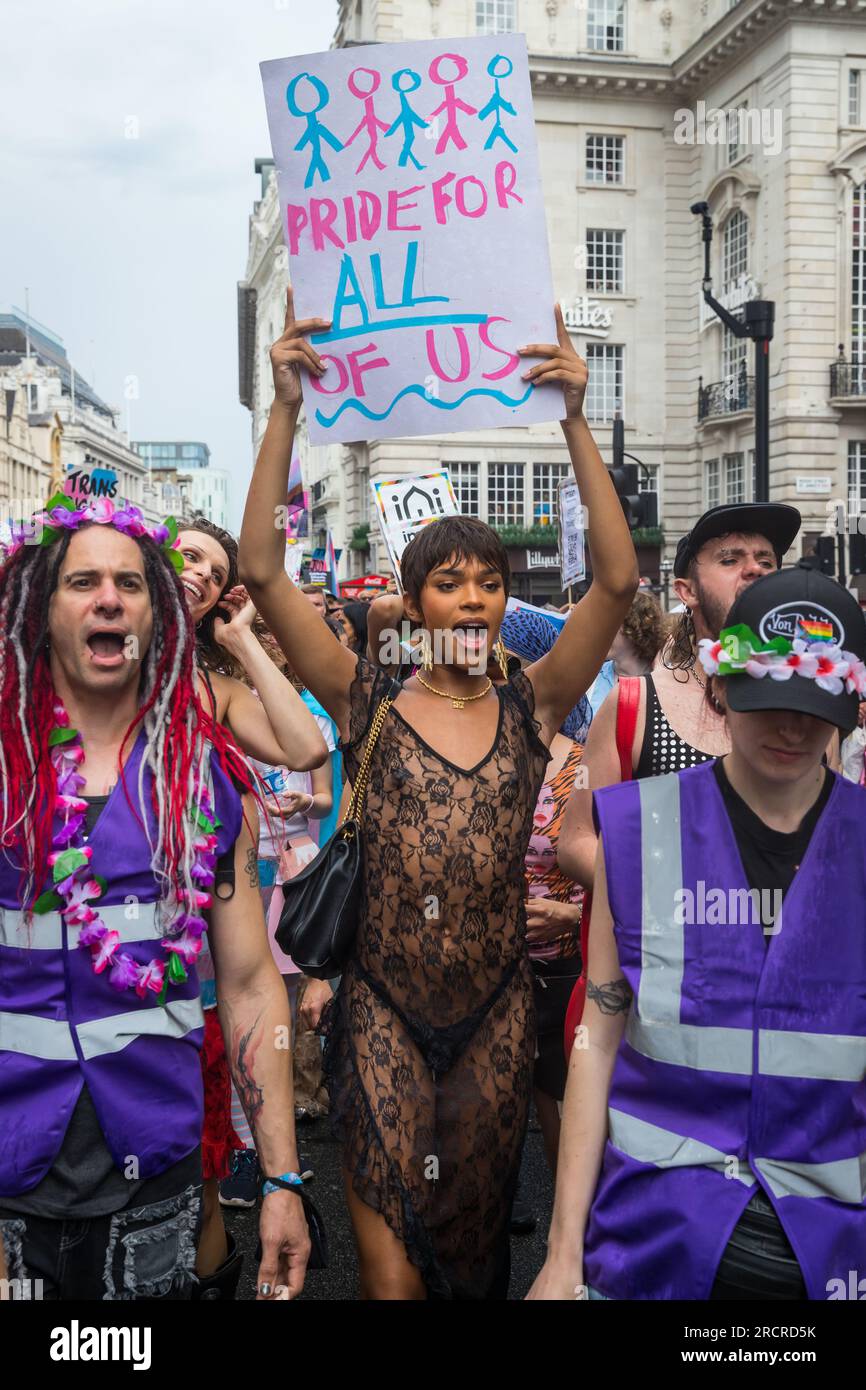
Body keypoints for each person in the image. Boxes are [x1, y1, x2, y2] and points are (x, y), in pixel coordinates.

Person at [239, 289, 637, 1299]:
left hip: (498, 1017)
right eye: (449, 582)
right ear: (414, 601)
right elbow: (258, 567)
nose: (471, 597)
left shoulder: (534, 702)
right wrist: (284, 404)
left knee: (470, 1261)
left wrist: (575, 418)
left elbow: (618, 583)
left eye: (488, 582)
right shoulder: (362, 692)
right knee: (392, 1278)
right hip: (380, 1011)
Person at [0, 495, 310, 1300]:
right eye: (82, 581)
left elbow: (247, 986)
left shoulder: (199, 779)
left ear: (159, 612)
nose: (108, 597)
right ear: (43, 606)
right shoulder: (5, 768)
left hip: (155, 1172)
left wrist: (281, 1180)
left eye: (130, 584)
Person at [529, 566, 866, 1301]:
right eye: (771, 699)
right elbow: (600, 1036)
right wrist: (561, 1255)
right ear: (720, 690)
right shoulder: (638, 827)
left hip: (834, 1246)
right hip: (657, 1235)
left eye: (816, 708)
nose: (792, 727)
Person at [175, 519, 326, 1294]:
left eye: (213, 568)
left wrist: (241, 640)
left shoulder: (213, 686)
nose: (196, 571)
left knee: (195, 1176)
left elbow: (304, 746)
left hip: (197, 976)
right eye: (185, 553)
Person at [559, 502, 801, 891]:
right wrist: (670, 910)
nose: (754, 569)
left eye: (766, 561)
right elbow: (576, 841)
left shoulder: (808, 705)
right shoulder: (634, 704)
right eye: (730, 559)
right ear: (686, 591)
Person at [607, 590, 663, 677]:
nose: (602, 634)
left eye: (611, 625)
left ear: (634, 628)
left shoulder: (665, 681)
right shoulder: (590, 678)